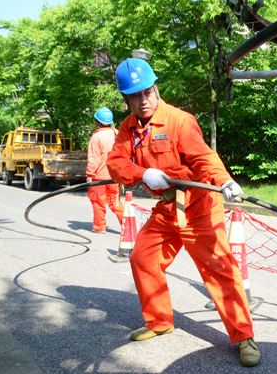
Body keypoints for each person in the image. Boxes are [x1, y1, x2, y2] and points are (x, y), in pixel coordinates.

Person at [106, 58, 260, 367]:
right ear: (126, 100)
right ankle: (159, 320)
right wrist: (141, 174)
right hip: (166, 208)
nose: (143, 100)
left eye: (147, 92)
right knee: (142, 258)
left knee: (220, 270)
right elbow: (115, 164)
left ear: (156, 88)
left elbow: (205, 158)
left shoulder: (179, 121)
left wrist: (226, 181)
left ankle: (245, 337)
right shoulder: (128, 128)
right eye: (134, 96)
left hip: (199, 206)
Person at [87, 107, 124, 234]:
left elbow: (93, 159)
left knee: (98, 202)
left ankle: (99, 227)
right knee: (116, 202)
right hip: (114, 177)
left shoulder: (96, 137)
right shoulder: (117, 134)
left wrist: (89, 175)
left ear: (97, 122)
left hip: (99, 178)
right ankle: (127, 226)